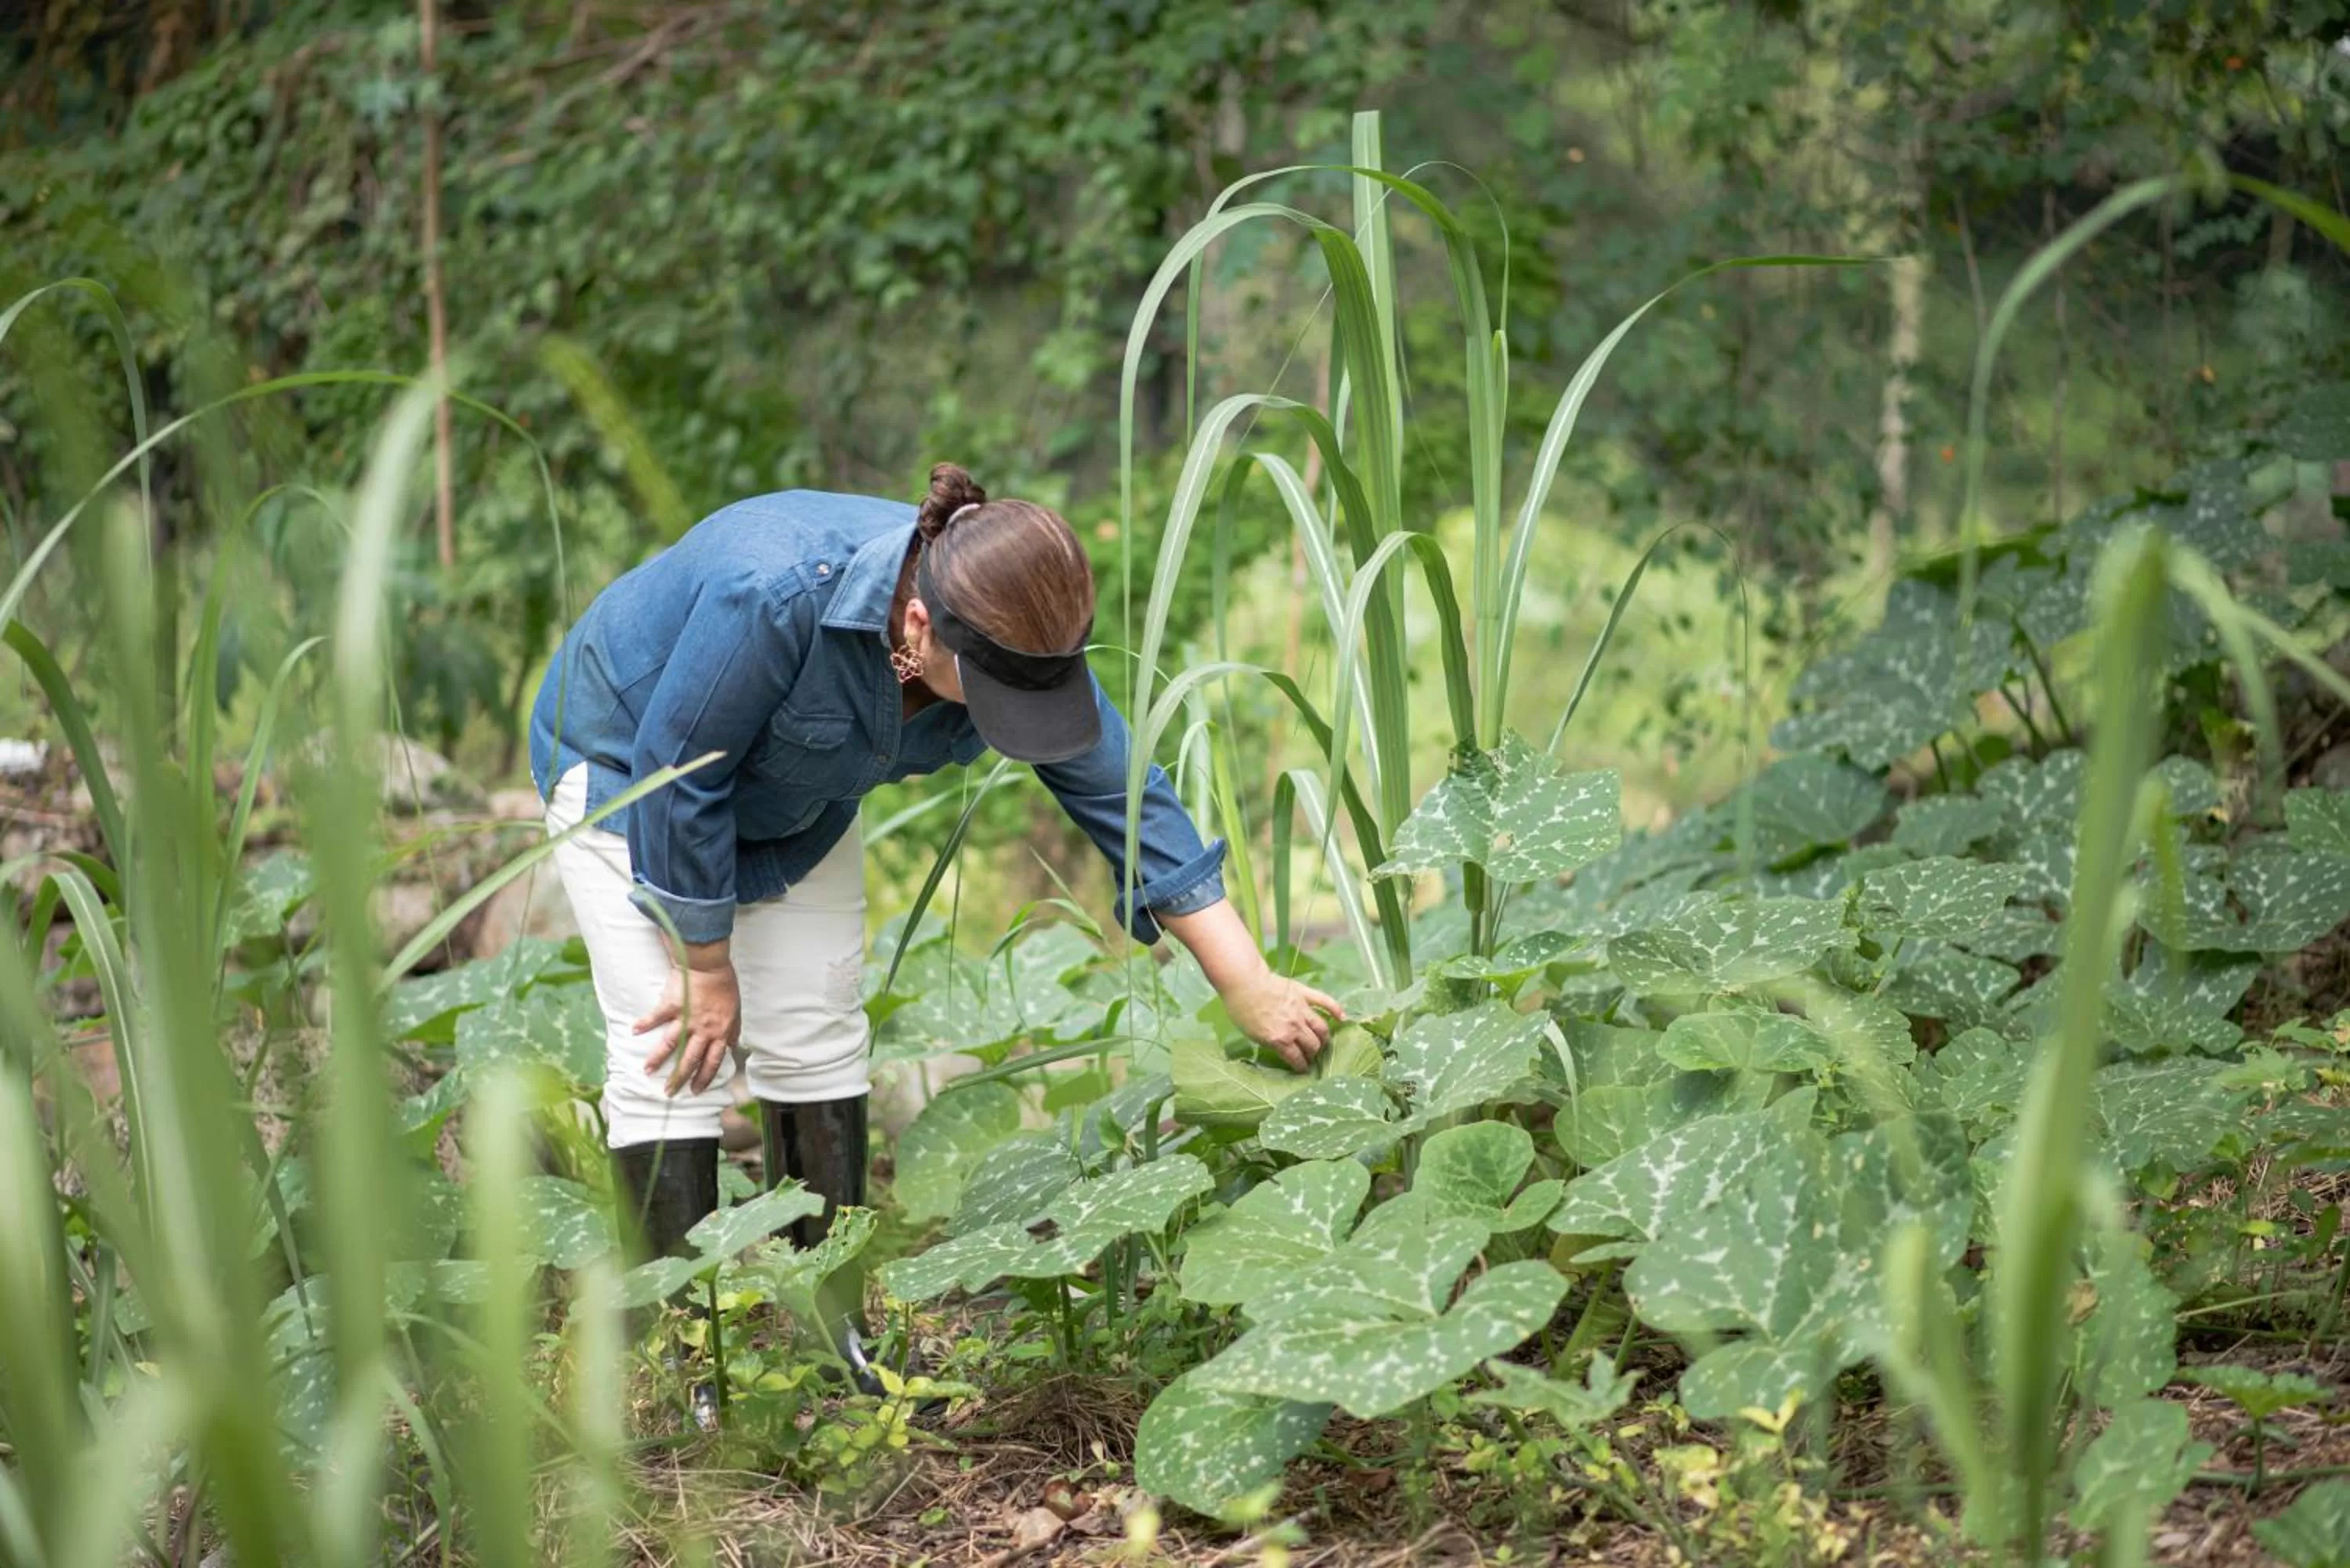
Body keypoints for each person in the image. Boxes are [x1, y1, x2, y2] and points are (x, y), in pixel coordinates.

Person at [529, 463, 1342, 1407]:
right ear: (919, 628)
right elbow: (682, 774)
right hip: (631, 769)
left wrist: (1245, 979)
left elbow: (1123, 790)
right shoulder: (775, 593)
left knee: (818, 1030)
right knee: (673, 1041)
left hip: (796, 801)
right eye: (1000, 700)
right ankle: (677, 1358)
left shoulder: (1015, 622)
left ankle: (832, 1331)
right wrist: (705, 963)